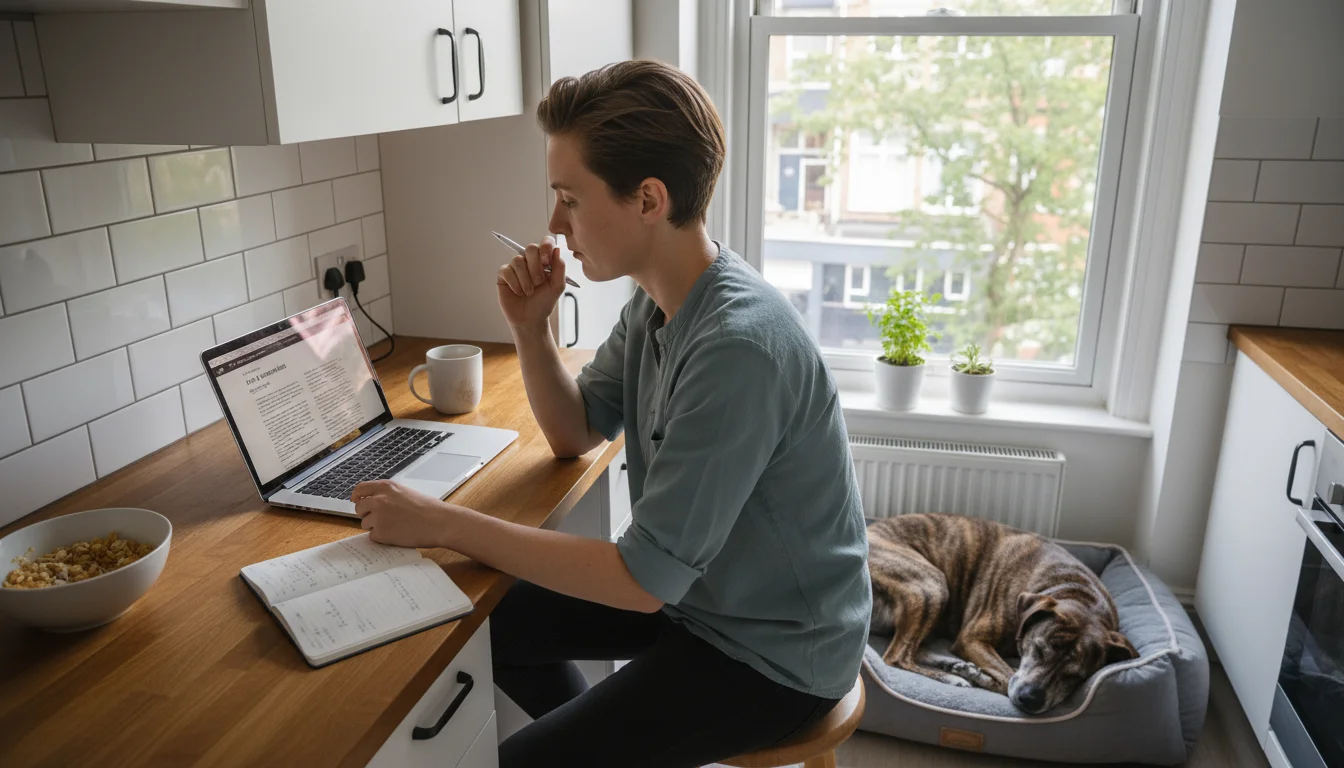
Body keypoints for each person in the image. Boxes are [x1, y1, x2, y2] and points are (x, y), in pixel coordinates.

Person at [351, 59, 871, 768]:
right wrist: (531, 330)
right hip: (700, 602)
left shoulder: (738, 349)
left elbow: (640, 581)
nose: (553, 224)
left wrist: (443, 523)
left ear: (648, 199)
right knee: (485, 626)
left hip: (774, 653)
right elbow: (575, 433)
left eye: (569, 197)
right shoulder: (659, 299)